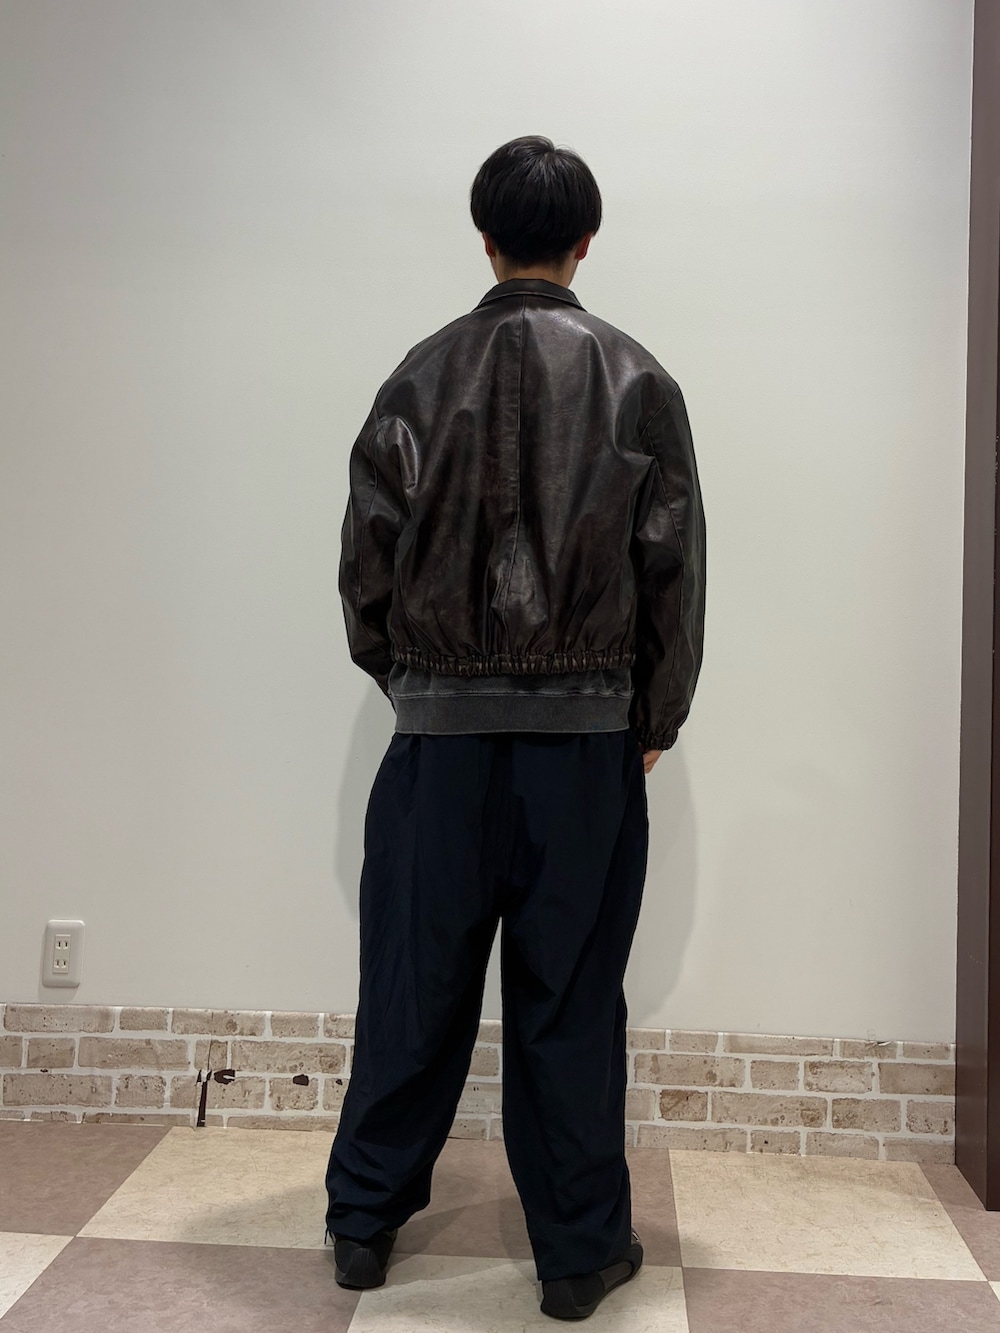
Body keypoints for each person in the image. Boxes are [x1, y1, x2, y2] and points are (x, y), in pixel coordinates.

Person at [325, 134, 706, 1321]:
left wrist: (420, 687)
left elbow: (364, 569)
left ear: (483, 236)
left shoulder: (417, 376)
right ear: (585, 240)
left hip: (437, 750)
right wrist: (651, 713)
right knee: (570, 999)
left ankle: (362, 1224)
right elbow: (672, 572)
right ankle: (578, 1255)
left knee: (411, 987)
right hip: (584, 752)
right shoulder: (637, 380)